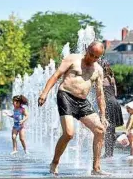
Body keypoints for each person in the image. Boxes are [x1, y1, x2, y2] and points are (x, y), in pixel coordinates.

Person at [38, 41, 110, 176]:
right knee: (69, 133)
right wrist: (44, 93)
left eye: (96, 57)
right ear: (87, 49)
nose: (92, 59)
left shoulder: (98, 70)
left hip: (82, 102)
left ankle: (96, 168)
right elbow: (56, 76)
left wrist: (103, 115)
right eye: (91, 55)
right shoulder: (72, 59)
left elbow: (100, 95)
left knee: (100, 130)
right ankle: (54, 162)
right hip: (65, 96)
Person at [98, 59, 124, 158]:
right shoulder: (112, 79)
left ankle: (107, 153)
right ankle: (110, 153)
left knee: (107, 129)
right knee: (111, 130)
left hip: (108, 104)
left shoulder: (101, 79)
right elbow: (116, 93)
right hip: (115, 103)